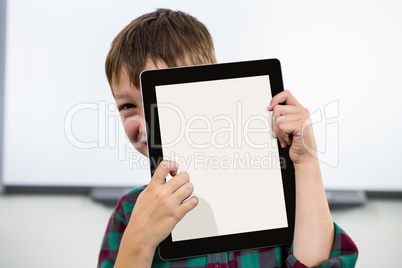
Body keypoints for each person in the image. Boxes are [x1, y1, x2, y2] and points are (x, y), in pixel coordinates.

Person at [98, 8, 358, 268]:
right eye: (127, 106)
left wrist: (306, 162)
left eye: (160, 100)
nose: (145, 125)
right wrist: (140, 239)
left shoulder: (281, 198)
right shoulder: (129, 213)